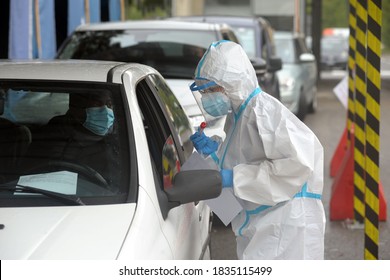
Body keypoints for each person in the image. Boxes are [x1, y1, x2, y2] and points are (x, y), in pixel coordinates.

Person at [189, 40, 326, 260]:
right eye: (204, 92)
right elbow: (239, 172)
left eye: (210, 90)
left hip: (285, 228)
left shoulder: (265, 113)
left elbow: (298, 165)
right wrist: (211, 156)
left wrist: (232, 177)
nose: (207, 99)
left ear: (232, 84)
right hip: (260, 226)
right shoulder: (239, 117)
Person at [22, 92, 117, 185]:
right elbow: (25, 172)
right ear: (76, 107)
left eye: (109, 105)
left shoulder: (117, 144)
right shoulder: (51, 134)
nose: (106, 111)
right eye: (97, 104)